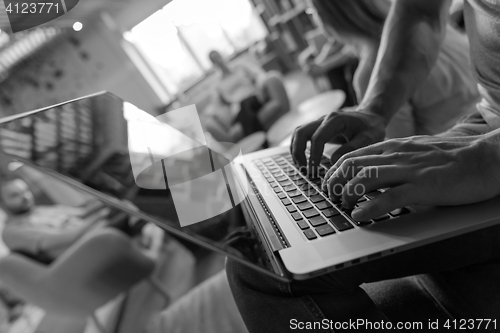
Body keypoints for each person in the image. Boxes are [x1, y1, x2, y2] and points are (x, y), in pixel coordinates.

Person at [226, 0, 500, 331]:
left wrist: (487, 157)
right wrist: (374, 109)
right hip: (485, 120)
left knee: (255, 265)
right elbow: (421, 10)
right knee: (261, 236)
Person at [309, 0, 479, 141]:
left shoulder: (371, 75)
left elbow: (399, 152)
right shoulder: (434, 25)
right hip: (489, 127)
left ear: (327, 18)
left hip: (458, 156)